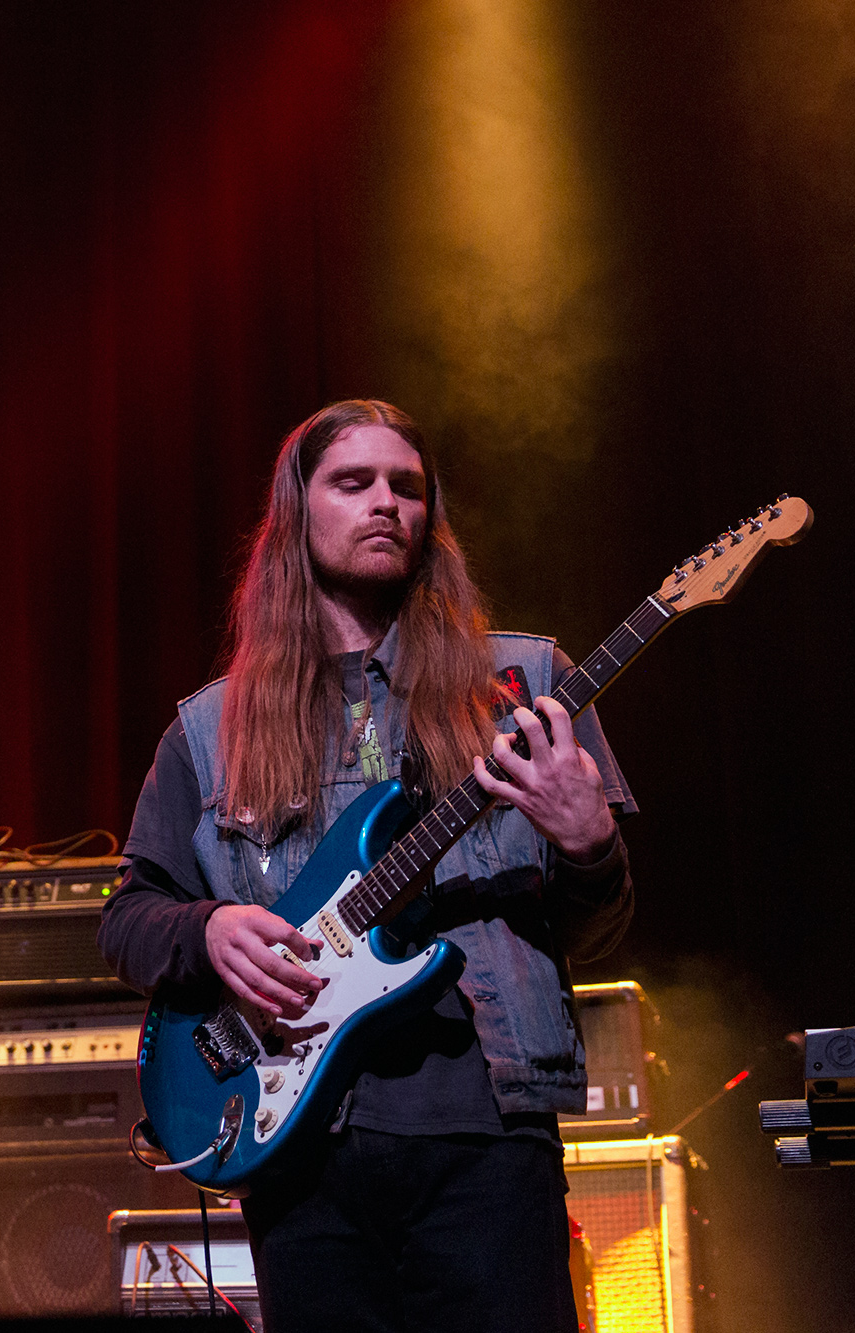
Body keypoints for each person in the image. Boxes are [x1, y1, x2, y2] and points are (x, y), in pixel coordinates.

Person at [98, 400, 635, 1332]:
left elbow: (596, 930)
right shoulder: (210, 729)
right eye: (354, 482)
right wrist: (209, 930)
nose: (387, 502)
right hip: (297, 1146)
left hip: (487, 1133)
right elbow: (127, 920)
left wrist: (590, 844)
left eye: (408, 487)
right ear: (297, 511)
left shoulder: (525, 689)